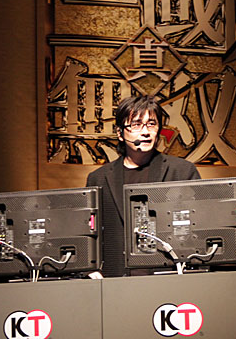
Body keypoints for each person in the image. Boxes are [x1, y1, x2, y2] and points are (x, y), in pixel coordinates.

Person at [86, 95, 200, 277]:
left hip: (168, 275)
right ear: (120, 133)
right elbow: (90, 233)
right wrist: (90, 268)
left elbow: (198, 226)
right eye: (136, 125)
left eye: (151, 124)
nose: (145, 132)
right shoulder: (98, 178)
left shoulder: (182, 172)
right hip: (116, 278)